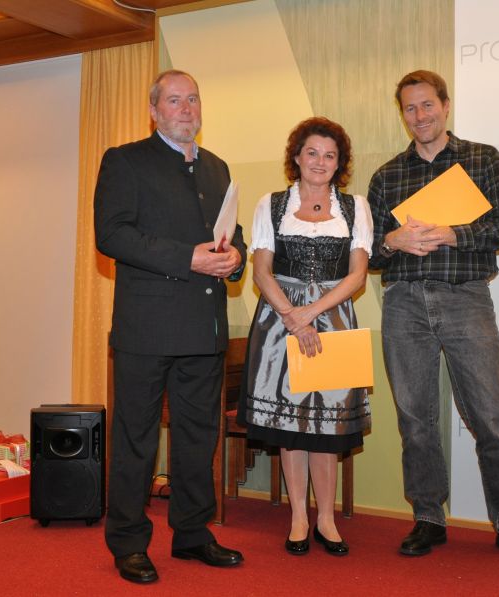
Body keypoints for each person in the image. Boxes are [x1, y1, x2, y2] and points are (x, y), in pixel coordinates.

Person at [367, 70, 499, 565]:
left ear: (445, 106)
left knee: (492, 415)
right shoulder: (387, 176)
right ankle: (428, 518)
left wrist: (453, 233)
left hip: (466, 297)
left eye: (427, 105)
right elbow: (368, 254)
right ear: (402, 114)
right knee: (415, 419)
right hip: (404, 302)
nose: (419, 116)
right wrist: (392, 240)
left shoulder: (482, 158)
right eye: (410, 108)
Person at [94, 69, 247, 584]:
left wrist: (236, 258)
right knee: (135, 439)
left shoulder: (218, 167)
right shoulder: (125, 161)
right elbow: (112, 234)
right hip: (146, 328)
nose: (186, 109)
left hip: (204, 328)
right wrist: (189, 258)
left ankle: (193, 534)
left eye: (193, 99)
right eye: (175, 100)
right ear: (154, 111)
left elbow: (230, 235)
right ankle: (128, 542)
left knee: (198, 438)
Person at [240, 117, 372, 557]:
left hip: (333, 319)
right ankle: (298, 516)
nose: (320, 161)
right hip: (279, 321)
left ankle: (326, 520)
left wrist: (311, 314)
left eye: (329, 155)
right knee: (290, 425)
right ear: (296, 157)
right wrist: (292, 317)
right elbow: (262, 271)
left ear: (339, 163)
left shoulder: (355, 207)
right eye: (312, 152)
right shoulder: (271, 204)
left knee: (327, 427)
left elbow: (357, 276)